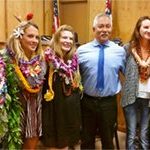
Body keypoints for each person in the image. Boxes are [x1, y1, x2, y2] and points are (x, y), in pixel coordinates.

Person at [77, 13, 126, 149]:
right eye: (101, 26)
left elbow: (128, 73)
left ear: (111, 29)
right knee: (86, 140)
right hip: (87, 102)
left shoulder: (119, 52)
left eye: (108, 26)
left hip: (108, 103)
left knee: (108, 141)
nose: (104, 29)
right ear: (94, 29)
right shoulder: (81, 51)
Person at [1, 13, 46, 149]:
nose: (35, 40)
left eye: (37, 37)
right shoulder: (7, 60)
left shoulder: (41, 60)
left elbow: (34, 83)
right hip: (14, 112)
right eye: (30, 36)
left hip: (34, 111)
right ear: (19, 37)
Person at [41, 25, 82, 149]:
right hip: (53, 109)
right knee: (54, 143)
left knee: (66, 144)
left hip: (69, 110)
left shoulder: (73, 59)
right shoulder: (47, 58)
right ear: (57, 39)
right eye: (64, 37)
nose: (68, 41)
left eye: (71, 39)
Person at [121, 16, 150, 150]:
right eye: (146, 27)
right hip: (131, 96)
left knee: (144, 134)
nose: (149, 30)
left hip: (148, 99)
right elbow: (120, 67)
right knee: (131, 134)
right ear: (138, 29)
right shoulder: (128, 48)